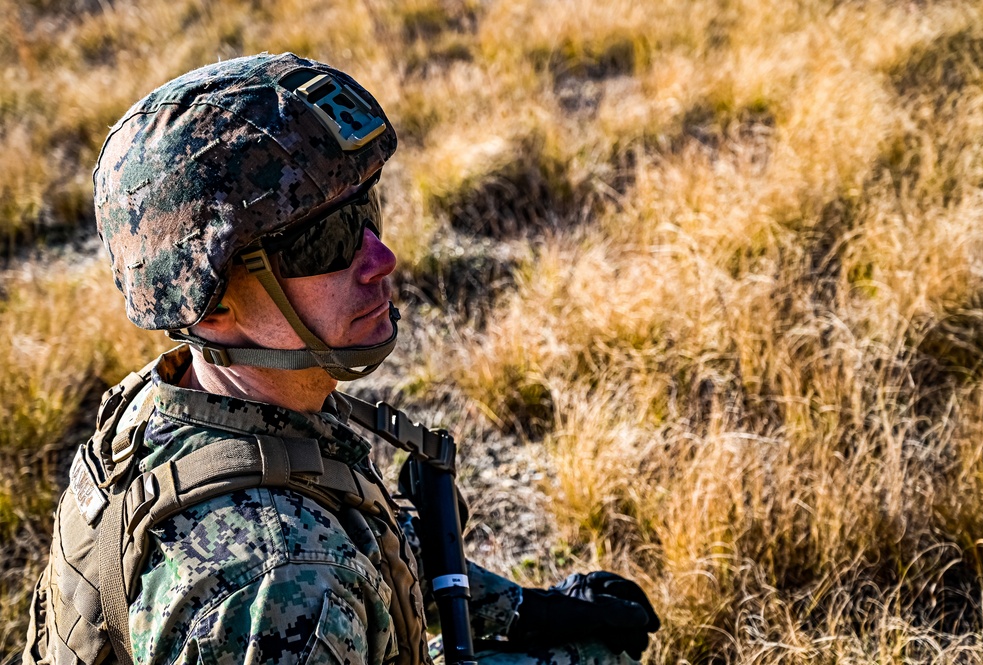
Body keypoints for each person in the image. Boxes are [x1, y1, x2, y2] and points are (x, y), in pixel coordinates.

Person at [23, 52, 659, 665]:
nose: (381, 259)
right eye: (323, 240)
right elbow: (301, 581)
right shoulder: (275, 591)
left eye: (366, 213)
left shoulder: (172, 401)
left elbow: (363, 538)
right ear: (210, 306)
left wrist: (517, 608)